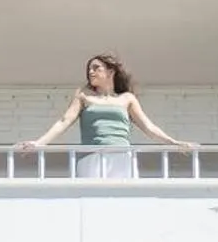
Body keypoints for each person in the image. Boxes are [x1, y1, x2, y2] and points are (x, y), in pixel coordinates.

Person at [19, 54, 196, 177]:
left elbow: (148, 127)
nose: (91, 72)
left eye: (96, 68)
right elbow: (64, 121)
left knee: (120, 200)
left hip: (121, 156)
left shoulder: (127, 99)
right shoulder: (83, 95)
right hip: (92, 155)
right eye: (89, 69)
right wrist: (39, 143)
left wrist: (174, 143)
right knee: (92, 199)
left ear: (110, 72)